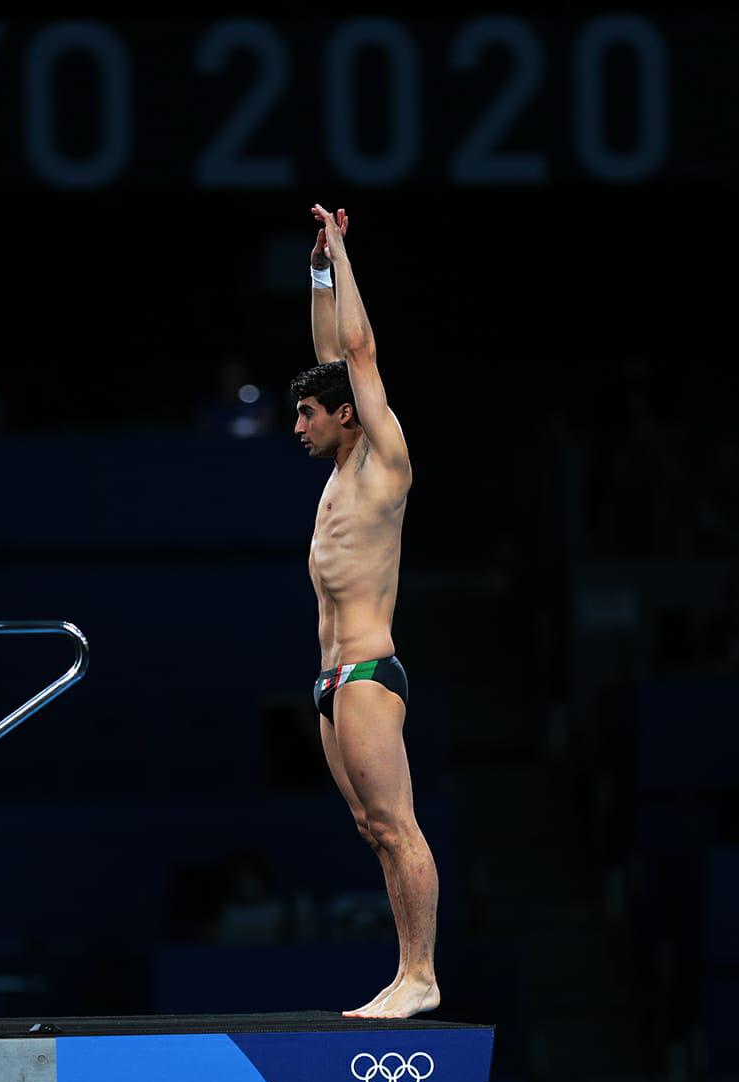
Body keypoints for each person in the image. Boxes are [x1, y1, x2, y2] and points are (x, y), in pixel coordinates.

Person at [291, 204, 440, 1019]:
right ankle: (403, 969)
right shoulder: (342, 467)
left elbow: (355, 352)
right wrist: (316, 273)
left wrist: (343, 252)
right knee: (373, 830)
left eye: (308, 413)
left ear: (347, 414)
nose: (298, 425)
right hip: (330, 681)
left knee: (398, 823)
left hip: (369, 672)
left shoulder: (383, 458)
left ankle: (421, 973)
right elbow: (329, 358)